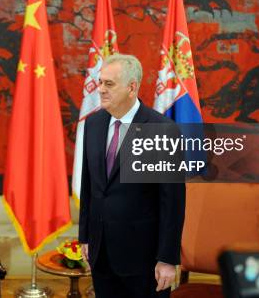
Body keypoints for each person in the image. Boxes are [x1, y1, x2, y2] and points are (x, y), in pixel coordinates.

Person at [78, 54, 186, 298]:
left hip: (144, 260)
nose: (101, 90)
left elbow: (172, 203)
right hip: (101, 252)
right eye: (100, 82)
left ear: (132, 87)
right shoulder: (93, 124)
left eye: (109, 84)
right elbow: (89, 186)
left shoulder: (160, 130)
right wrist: (85, 236)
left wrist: (167, 259)